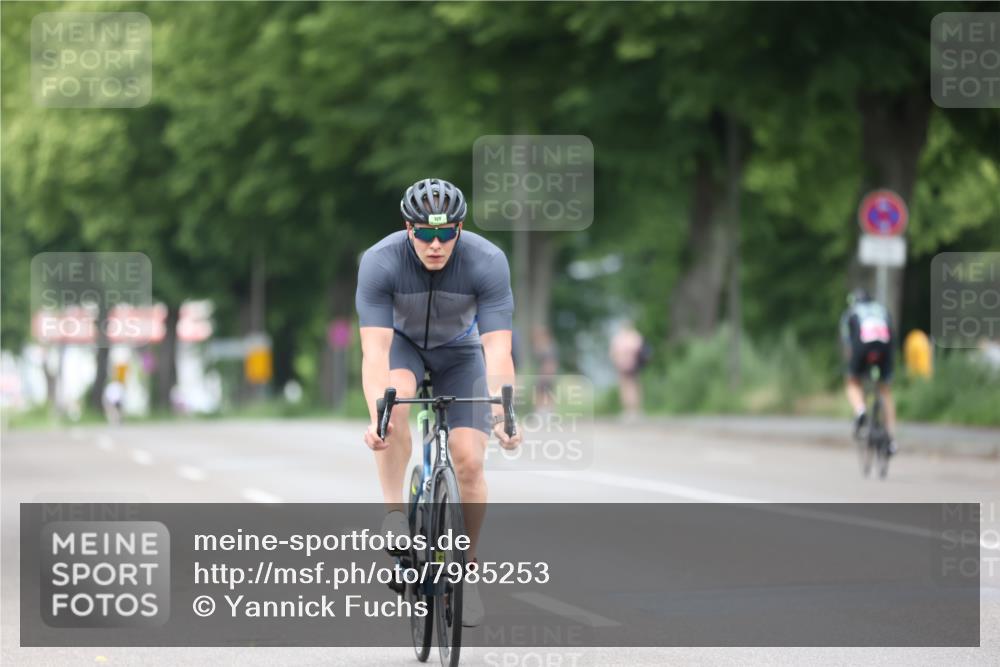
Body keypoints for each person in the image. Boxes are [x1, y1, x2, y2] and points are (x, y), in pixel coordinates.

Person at [356, 177, 522, 627]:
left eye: (446, 233)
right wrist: (378, 414)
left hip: (461, 352)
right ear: (407, 229)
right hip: (402, 346)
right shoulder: (379, 262)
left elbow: (497, 351)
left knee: (469, 462)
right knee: (397, 405)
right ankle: (395, 512)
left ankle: (466, 568)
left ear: (460, 229)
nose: (435, 244)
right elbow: (374, 352)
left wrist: (504, 413)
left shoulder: (487, 261)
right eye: (425, 234)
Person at [839, 288, 897, 454]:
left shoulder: (851, 312)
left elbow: (847, 341)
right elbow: (891, 333)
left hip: (862, 345)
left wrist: (851, 363)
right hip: (885, 346)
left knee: (852, 382)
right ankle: (891, 439)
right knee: (885, 391)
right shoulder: (882, 310)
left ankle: (860, 409)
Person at [609, 320, 645, 421]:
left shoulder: (627, 337)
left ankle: (634, 410)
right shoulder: (633, 337)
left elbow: (614, 352)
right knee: (628, 387)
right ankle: (629, 410)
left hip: (631, 365)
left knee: (631, 387)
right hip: (624, 365)